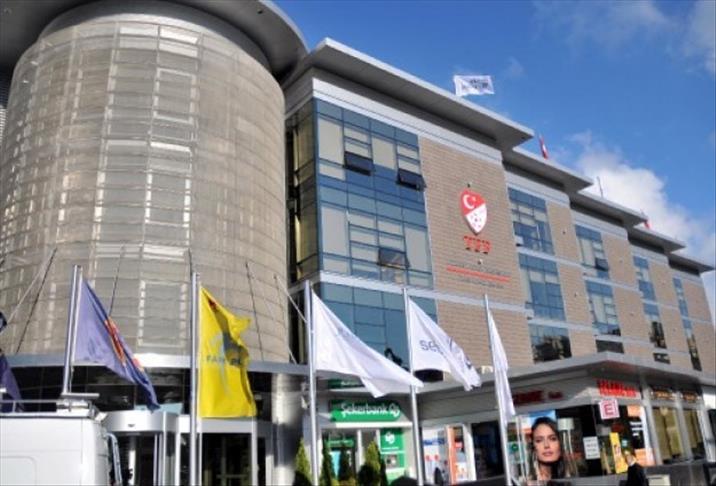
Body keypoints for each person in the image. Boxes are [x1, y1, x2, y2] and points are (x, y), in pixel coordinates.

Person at [530, 417, 570, 483]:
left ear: (560, 443)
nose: (546, 445)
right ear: (533, 446)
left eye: (553, 439)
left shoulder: (572, 477)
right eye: (539, 440)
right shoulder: (525, 482)